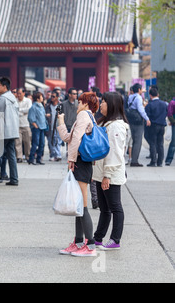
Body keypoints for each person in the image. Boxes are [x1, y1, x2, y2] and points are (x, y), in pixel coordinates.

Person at [57, 92, 99, 257]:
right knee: (78, 206)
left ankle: (90, 245)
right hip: (82, 162)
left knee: (82, 206)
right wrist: (61, 121)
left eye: (80, 101)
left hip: (80, 163)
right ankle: (79, 241)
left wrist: (71, 160)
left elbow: (76, 140)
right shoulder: (89, 116)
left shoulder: (83, 115)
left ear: (86, 103)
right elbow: (69, 137)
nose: (78, 104)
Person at [92, 92, 129, 250]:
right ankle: (98, 237)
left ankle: (115, 239)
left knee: (115, 207)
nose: (101, 105)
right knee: (104, 208)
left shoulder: (115, 126)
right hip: (102, 172)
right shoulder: (105, 123)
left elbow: (115, 153)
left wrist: (107, 175)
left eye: (104, 102)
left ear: (112, 104)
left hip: (111, 173)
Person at [127, 83, 151, 167]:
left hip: (131, 120)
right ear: (139, 90)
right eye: (141, 89)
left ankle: (133, 159)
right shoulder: (138, 97)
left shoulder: (131, 97)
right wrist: (147, 118)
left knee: (133, 140)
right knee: (138, 141)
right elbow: (141, 110)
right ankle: (134, 161)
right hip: (138, 121)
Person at [145, 86, 168, 167]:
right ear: (158, 94)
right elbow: (166, 113)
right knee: (160, 143)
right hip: (162, 125)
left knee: (153, 143)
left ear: (150, 95)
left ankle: (153, 161)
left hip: (153, 126)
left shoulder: (149, 105)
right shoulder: (164, 104)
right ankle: (160, 161)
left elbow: (147, 116)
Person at [27, 91, 47, 165]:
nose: (42, 98)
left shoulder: (41, 106)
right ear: (38, 98)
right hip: (37, 128)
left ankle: (39, 158)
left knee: (42, 143)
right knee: (35, 143)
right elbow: (30, 118)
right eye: (41, 96)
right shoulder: (33, 107)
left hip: (42, 127)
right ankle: (31, 159)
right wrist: (35, 125)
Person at [15, 87, 32, 162]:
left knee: (27, 141)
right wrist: (23, 112)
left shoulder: (28, 100)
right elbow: (14, 111)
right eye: (17, 93)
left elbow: (29, 109)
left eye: (20, 93)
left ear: (24, 93)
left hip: (26, 124)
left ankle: (28, 156)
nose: (18, 95)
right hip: (17, 125)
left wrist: (19, 111)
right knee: (17, 142)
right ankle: (19, 157)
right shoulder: (14, 101)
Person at [45, 90, 62, 162]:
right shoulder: (48, 106)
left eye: (53, 96)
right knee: (51, 141)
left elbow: (62, 114)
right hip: (50, 126)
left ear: (57, 97)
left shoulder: (60, 105)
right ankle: (52, 154)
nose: (52, 98)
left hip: (58, 125)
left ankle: (58, 154)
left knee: (58, 140)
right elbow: (46, 114)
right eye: (51, 96)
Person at [165, 97, 175, 166]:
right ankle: (169, 159)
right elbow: (169, 114)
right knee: (173, 142)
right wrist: (173, 122)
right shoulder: (172, 102)